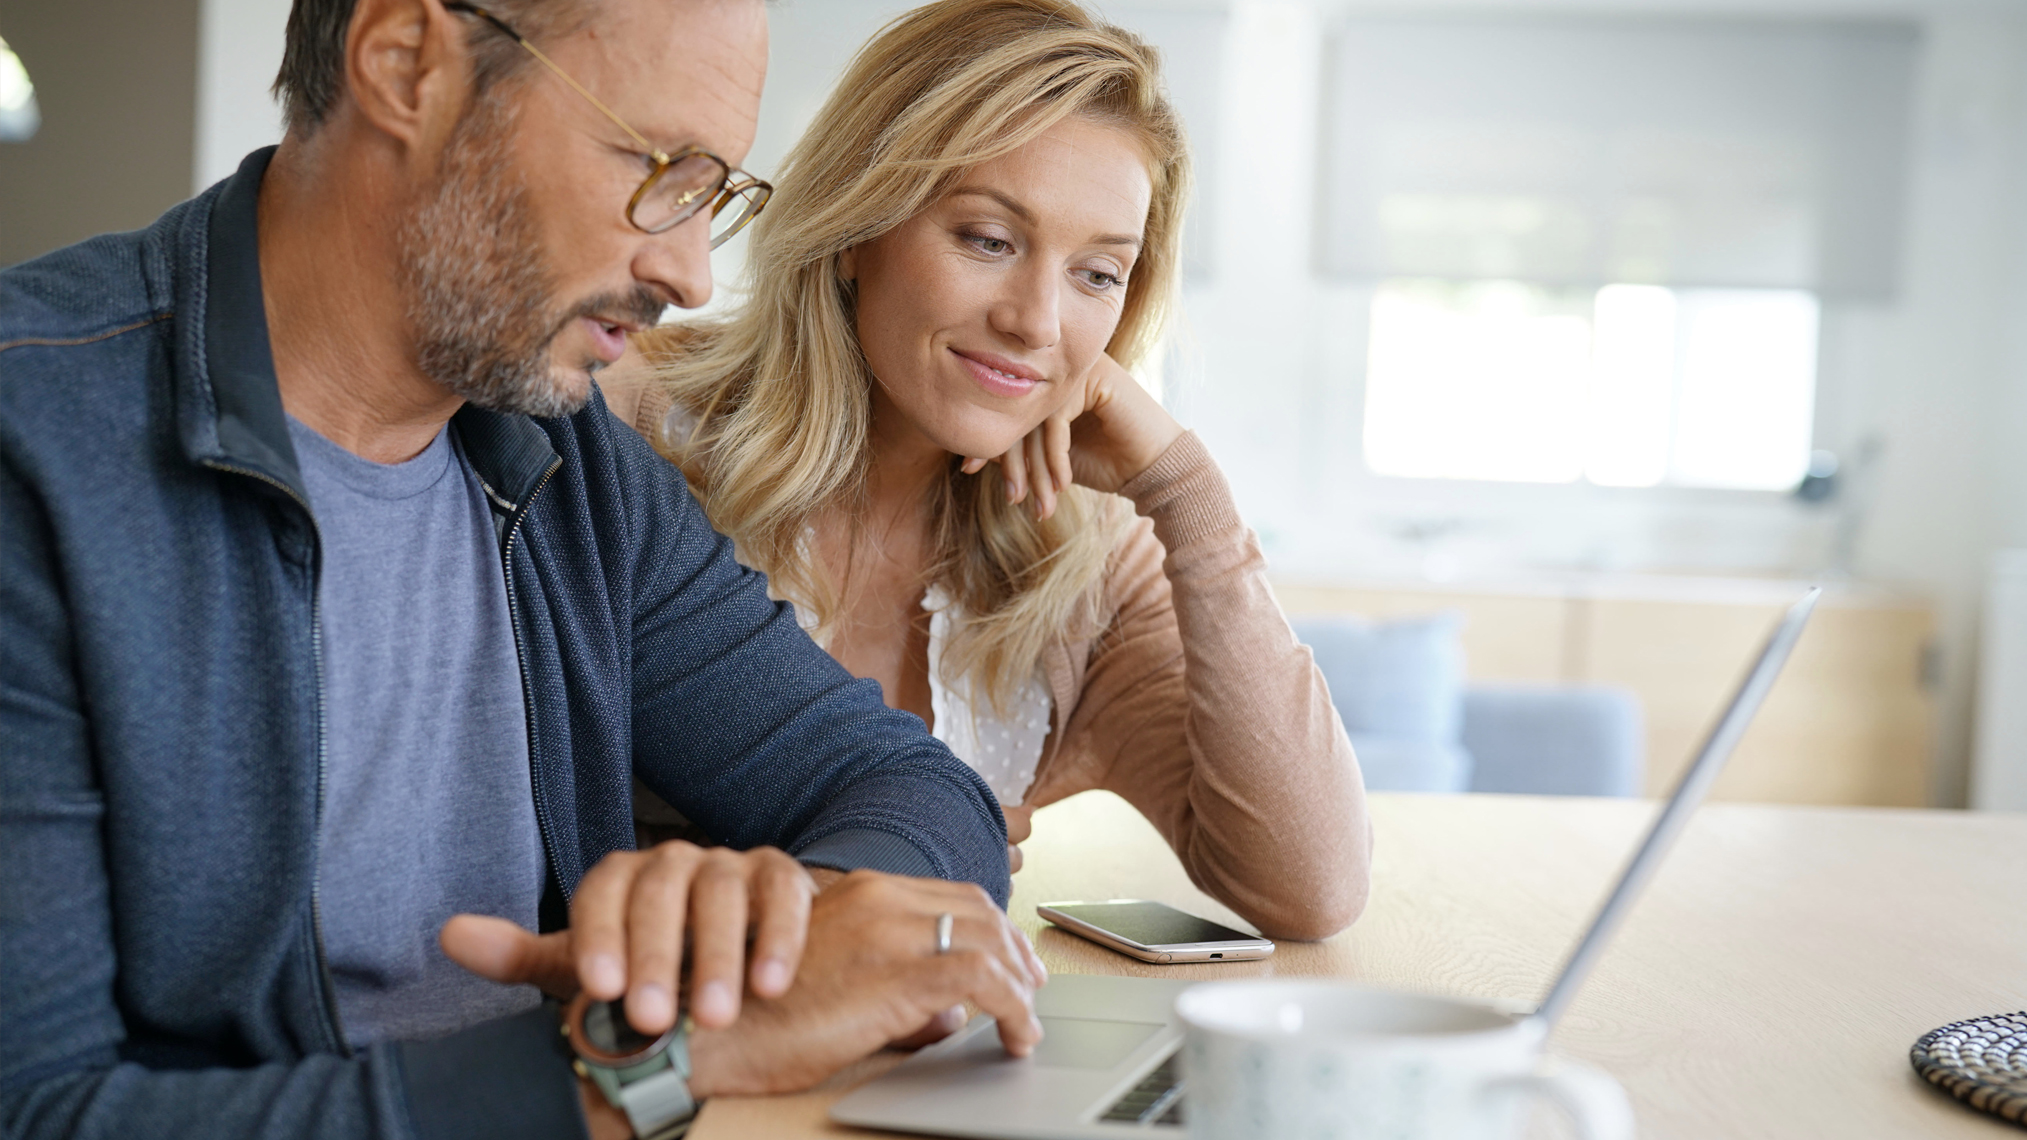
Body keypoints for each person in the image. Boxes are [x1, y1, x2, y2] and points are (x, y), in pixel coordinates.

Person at [0, 1, 1048, 1138]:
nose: (690, 272)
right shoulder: (35, 446)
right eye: (659, 168)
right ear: (406, 65)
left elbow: (915, 787)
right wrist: (634, 1071)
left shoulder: (563, 461)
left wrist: (791, 923)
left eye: (715, 193)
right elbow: (40, 1109)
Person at [604, 0, 1373, 943]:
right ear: (857, 229)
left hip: (932, 1052)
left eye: (1097, 273)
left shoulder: (1084, 556)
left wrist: (1187, 494)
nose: (1037, 322)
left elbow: (1313, 890)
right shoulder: (631, 422)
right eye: (988, 240)